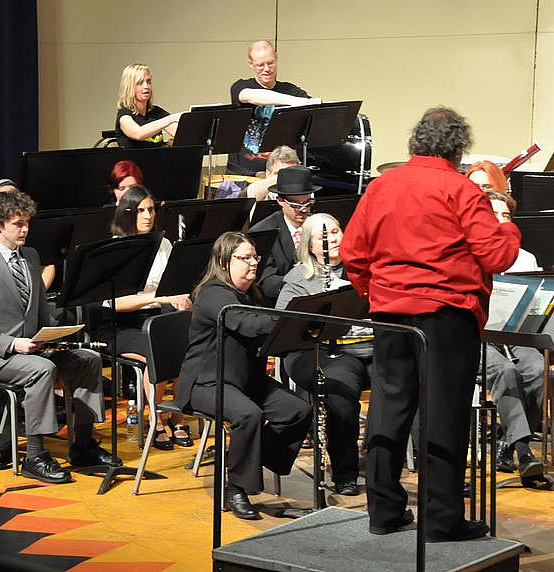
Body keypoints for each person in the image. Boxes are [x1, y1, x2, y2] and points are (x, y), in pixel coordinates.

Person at [340, 107, 521, 541]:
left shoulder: (382, 186)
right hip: (446, 315)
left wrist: (376, 295)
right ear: (458, 148)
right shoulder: (461, 191)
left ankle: (383, 512)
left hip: (391, 315)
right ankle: (441, 519)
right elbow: (498, 256)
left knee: (387, 408)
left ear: (414, 143)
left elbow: (352, 254)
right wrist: (508, 227)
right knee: (443, 415)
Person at [0, 190, 119, 484]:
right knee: (41, 371)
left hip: (33, 346)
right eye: (18, 223)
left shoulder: (30, 256)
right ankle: (35, 455)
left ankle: (83, 444)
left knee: (89, 360)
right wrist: (11, 344)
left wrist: (55, 333)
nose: (25, 229)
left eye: (27, 222)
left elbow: (39, 308)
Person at [175, 232, 312, 520]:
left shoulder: (252, 292)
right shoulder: (213, 293)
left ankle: (245, 461)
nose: (253, 263)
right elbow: (246, 323)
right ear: (225, 261)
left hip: (247, 380)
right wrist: (291, 319)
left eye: (255, 257)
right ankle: (236, 487)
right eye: (244, 258)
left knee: (298, 411)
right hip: (207, 381)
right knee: (248, 415)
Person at [275, 213, 368, 496]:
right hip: (316, 352)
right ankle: (345, 474)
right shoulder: (298, 277)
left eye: (336, 231)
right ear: (309, 245)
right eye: (322, 235)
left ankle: (387, 462)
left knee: (408, 376)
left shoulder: (361, 270)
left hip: (363, 348)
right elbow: (282, 324)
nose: (332, 239)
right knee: (340, 391)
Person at [95, 186, 193, 450]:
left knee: (188, 345)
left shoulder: (163, 243)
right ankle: (155, 420)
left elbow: (174, 283)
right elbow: (116, 303)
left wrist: (182, 298)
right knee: (157, 353)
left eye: (151, 209)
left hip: (156, 318)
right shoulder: (116, 248)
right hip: (121, 324)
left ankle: (178, 416)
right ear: (128, 214)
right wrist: (159, 299)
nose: (148, 216)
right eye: (141, 211)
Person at [482, 190, 545, 485]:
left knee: (538, 370)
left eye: (505, 215)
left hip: (515, 335)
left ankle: (508, 444)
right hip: (479, 337)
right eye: (494, 214)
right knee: (506, 372)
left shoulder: (525, 258)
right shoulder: (473, 251)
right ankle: (522, 451)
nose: (500, 220)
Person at [227, 41, 321, 176]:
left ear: (276, 58)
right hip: (243, 173)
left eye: (270, 63)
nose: (266, 69)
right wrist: (297, 102)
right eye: (260, 65)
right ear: (251, 64)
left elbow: (313, 109)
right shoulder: (240, 86)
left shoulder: (291, 90)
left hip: (281, 174)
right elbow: (249, 96)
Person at [249, 166, 320, 306]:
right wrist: (304, 285)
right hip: (283, 302)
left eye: (308, 203)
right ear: (280, 200)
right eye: (295, 205)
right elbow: (267, 282)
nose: (304, 210)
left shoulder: (318, 224)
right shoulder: (262, 232)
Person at [115, 64, 182, 149]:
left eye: (148, 81)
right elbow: (138, 134)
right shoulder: (124, 116)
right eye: (140, 83)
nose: (146, 86)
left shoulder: (156, 112)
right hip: (135, 162)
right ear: (129, 87)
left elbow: (181, 135)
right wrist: (171, 119)